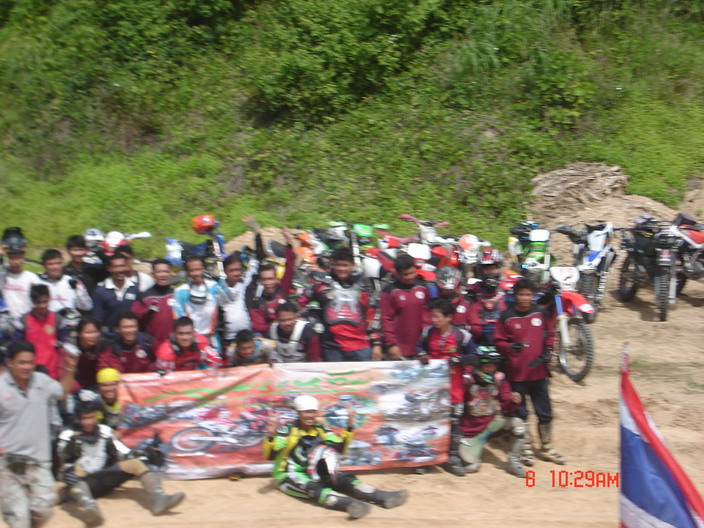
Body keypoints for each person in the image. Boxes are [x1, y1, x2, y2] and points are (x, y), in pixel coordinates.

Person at [263, 394, 407, 519]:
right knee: (313, 488)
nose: (310, 416)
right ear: (298, 413)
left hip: (312, 471)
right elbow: (271, 454)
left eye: (313, 412)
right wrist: (271, 436)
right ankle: (350, 505)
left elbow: (340, 447)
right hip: (288, 475)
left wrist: (349, 427)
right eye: (306, 412)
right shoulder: (287, 430)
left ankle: (383, 497)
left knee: (343, 479)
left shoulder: (320, 428)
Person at [57, 401, 184, 525]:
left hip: (101, 479)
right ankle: (91, 510)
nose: (88, 422)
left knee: (136, 463)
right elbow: (63, 456)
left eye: (91, 417)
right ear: (78, 419)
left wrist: (143, 453)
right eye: (84, 418)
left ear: (96, 416)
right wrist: (73, 442)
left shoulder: (104, 432)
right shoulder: (68, 434)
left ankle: (160, 499)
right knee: (75, 471)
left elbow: (121, 451)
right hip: (79, 486)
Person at [0, 341, 77, 528]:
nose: (27, 367)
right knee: (19, 518)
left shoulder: (41, 381)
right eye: (21, 362)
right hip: (7, 464)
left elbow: (63, 392)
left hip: (39, 461)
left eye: (30, 362)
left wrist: (70, 368)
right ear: (10, 363)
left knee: (42, 510)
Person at [493, 277, 565, 466]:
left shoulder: (541, 313)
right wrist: (509, 347)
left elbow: (550, 334)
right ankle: (524, 449)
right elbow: (498, 341)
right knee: (521, 413)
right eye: (521, 294)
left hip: (538, 373)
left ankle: (547, 447)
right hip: (516, 374)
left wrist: (549, 349)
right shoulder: (506, 317)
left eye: (528, 294)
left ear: (533, 296)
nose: (525, 298)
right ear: (515, 296)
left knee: (545, 412)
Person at [416, 297, 476, 476]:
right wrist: (422, 354)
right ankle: (428, 458)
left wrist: (460, 360)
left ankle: (452, 458)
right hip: (432, 389)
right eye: (432, 316)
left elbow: (475, 356)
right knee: (430, 422)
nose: (434, 320)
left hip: (455, 389)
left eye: (437, 316)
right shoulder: (428, 332)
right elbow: (419, 347)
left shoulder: (462, 336)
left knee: (454, 424)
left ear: (449, 317)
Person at [299, 247, 380, 362]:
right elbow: (300, 303)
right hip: (332, 348)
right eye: (338, 265)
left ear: (352, 265)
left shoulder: (363, 285)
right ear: (332, 264)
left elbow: (372, 314)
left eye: (345, 265)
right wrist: (312, 318)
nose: (341, 269)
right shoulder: (321, 283)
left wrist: (376, 343)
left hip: (361, 346)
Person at [457, 347, 526, 478]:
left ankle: (513, 462)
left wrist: (513, 401)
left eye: (493, 365)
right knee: (471, 467)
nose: (490, 369)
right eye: (487, 365)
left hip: (490, 426)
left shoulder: (499, 380)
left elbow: (506, 408)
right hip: (469, 432)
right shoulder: (467, 379)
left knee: (518, 424)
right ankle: (472, 450)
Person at [217, 215, 265, 347]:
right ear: (225, 271)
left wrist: (257, 232)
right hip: (227, 340)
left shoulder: (245, 284)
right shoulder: (217, 288)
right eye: (232, 270)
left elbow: (259, 258)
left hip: (248, 336)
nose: (236, 273)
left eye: (238, 269)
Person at [248, 226, 296, 335]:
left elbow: (290, 266)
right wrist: (277, 325)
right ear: (260, 281)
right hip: (271, 339)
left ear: (276, 279)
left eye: (270, 279)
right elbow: (257, 326)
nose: (268, 283)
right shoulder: (257, 300)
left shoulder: (282, 288)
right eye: (265, 279)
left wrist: (289, 240)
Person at [12, 284, 66, 380]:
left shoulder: (57, 320)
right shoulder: (23, 321)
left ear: (49, 299)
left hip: (52, 372)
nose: (42, 306)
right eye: (38, 302)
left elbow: (63, 343)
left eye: (45, 301)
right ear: (33, 302)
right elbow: (16, 346)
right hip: (30, 372)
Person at [380, 254, 430, 359]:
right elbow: (386, 319)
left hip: (422, 347)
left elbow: (429, 314)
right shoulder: (390, 291)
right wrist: (391, 344)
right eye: (406, 275)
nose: (410, 277)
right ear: (397, 274)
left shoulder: (423, 287)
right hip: (399, 349)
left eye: (412, 272)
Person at [173, 256, 220, 350]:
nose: (196, 273)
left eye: (198, 269)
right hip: (192, 342)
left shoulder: (215, 287)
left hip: (212, 339)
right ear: (187, 272)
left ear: (204, 269)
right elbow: (179, 319)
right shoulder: (180, 291)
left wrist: (219, 279)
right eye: (192, 270)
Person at [467, 248, 510, 345]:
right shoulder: (472, 291)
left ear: (499, 269)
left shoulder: (508, 291)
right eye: (486, 269)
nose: (490, 272)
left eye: (493, 268)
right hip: (477, 343)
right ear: (480, 271)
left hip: (503, 342)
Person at [130, 258, 174, 349]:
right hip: (153, 346)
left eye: (166, 271)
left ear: (170, 274)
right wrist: (147, 312)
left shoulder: (177, 294)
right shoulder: (144, 297)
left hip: (175, 344)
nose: (163, 275)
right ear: (153, 274)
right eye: (159, 272)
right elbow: (137, 321)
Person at [154, 317, 222, 373]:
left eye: (188, 333)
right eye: (181, 334)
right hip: (175, 381)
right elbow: (163, 378)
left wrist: (208, 373)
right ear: (175, 334)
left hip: (195, 376)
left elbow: (217, 361)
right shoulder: (166, 352)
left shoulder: (201, 343)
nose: (185, 338)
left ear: (193, 333)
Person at [92, 254, 140, 332]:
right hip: (109, 335)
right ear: (109, 268)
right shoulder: (100, 291)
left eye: (122, 266)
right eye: (116, 267)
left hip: (129, 334)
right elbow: (97, 318)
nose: (120, 270)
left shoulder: (134, 288)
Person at [38, 249, 93, 314]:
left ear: (62, 264)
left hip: (69, 319)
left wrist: (79, 291)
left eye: (58, 263)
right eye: (50, 264)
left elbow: (87, 307)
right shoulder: (39, 283)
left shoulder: (72, 281)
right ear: (44, 266)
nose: (55, 267)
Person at [1, 246, 41, 320]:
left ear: (23, 258)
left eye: (18, 258)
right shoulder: (2, 277)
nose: (16, 262)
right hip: (6, 321)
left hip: (27, 321)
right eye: (12, 258)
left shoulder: (32, 278)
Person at [74, 317, 113, 389]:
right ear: (79, 334)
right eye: (88, 332)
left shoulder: (103, 344)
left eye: (96, 332)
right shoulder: (71, 345)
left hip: (97, 384)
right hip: (75, 384)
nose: (93, 336)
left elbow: (103, 368)